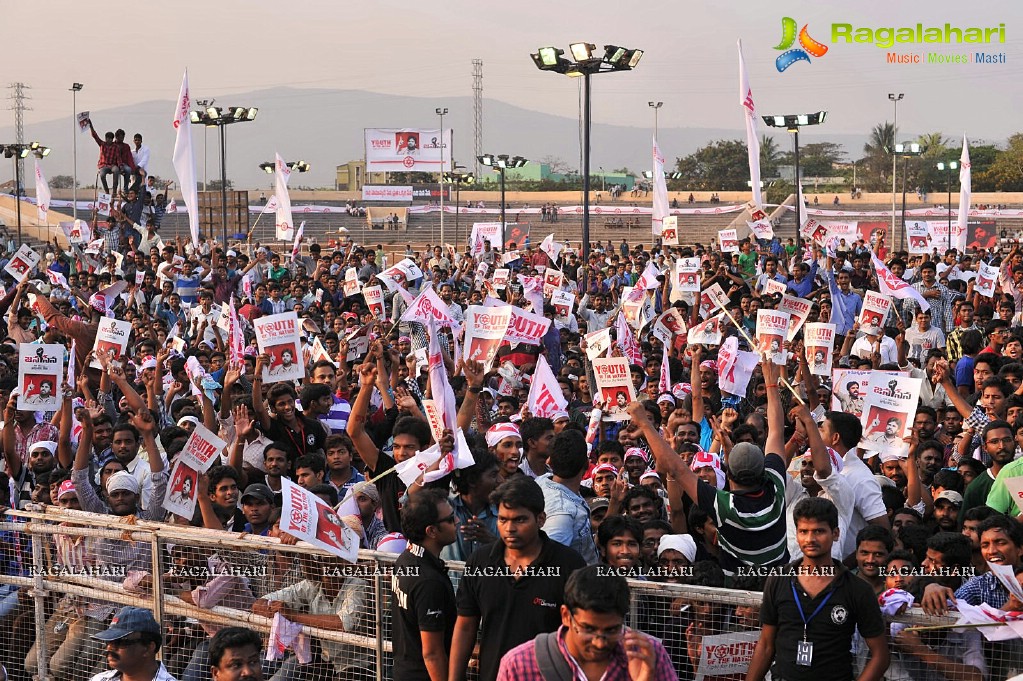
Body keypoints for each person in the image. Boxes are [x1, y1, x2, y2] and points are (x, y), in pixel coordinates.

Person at [449, 476, 587, 681]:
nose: (509, 528)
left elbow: (581, 631)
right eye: (503, 519)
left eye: (520, 520)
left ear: (541, 519)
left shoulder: (569, 565)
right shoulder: (480, 562)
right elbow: (466, 625)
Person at [745, 497, 889, 681]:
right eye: (803, 531)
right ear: (796, 534)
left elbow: (880, 656)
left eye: (819, 531)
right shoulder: (778, 579)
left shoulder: (857, 589)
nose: (810, 539)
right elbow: (765, 645)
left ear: (835, 533)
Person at [495, 565, 677, 680]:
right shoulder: (519, 665)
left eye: (612, 630)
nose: (599, 642)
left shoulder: (648, 655)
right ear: (566, 616)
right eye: (588, 629)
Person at [391, 489, 458, 681]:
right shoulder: (429, 581)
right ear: (432, 531)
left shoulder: (406, 558)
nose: (458, 522)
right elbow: (432, 654)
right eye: (451, 519)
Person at [88, 606, 177, 681]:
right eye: (108, 641)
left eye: (120, 641)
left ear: (148, 647)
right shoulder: (99, 679)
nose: (110, 647)